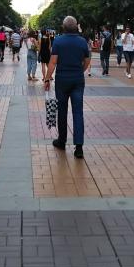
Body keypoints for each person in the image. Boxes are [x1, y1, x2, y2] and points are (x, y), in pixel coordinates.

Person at [45, 16, 90, 159]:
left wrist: (47, 78)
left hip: (62, 80)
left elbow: (52, 62)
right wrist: (79, 71)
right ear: (76, 26)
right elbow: (87, 61)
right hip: (78, 80)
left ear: (63, 27)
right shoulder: (82, 42)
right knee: (78, 113)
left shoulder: (58, 41)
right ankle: (79, 147)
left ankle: (62, 141)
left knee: (62, 111)